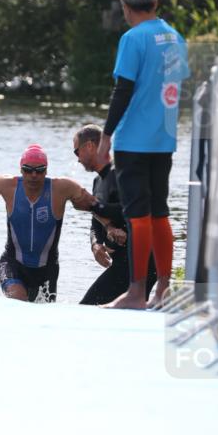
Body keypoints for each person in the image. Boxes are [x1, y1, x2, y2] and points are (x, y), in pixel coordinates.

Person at [97, 0, 189, 310]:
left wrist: (105, 137)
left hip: (134, 141)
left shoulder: (133, 39)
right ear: (155, 2)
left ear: (126, 6)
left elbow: (123, 90)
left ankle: (136, 292)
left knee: (137, 214)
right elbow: (176, 89)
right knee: (159, 212)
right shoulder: (175, 37)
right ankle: (162, 289)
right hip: (163, 140)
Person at [0, 144, 101, 302]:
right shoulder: (7, 185)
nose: (33, 175)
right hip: (12, 264)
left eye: (39, 171)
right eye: (27, 170)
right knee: (18, 301)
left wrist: (107, 229)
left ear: (46, 170)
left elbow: (92, 205)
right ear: (20, 169)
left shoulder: (62, 187)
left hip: (48, 270)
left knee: (44, 318)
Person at [74, 124, 157, 306]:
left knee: (86, 309)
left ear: (89, 146)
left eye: (76, 151)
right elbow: (96, 221)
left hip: (140, 262)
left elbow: (135, 209)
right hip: (123, 263)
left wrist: (94, 205)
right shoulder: (98, 180)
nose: (77, 159)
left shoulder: (120, 174)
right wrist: (96, 244)